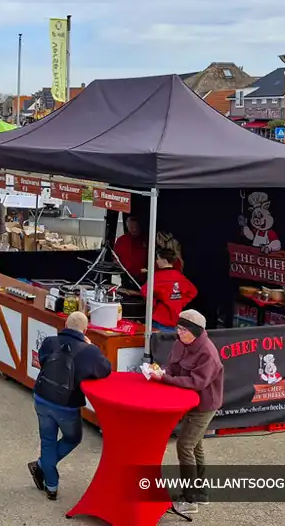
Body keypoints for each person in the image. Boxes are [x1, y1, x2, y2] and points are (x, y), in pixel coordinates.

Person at [28, 311, 112, 500]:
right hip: (66, 404)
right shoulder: (89, 351)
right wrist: (91, 347)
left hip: (41, 396)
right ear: (86, 329)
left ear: (65, 324)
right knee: (73, 438)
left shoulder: (50, 341)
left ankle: (51, 486)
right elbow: (105, 370)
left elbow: (42, 361)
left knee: (47, 441)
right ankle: (42, 466)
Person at [151, 309, 224, 515]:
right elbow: (172, 366)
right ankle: (199, 493)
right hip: (188, 403)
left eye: (183, 329)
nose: (178, 332)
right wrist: (162, 371)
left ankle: (190, 499)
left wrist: (164, 379)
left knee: (185, 446)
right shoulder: (180, 343)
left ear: (196, 331)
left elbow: (196, 383)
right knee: (195, 446)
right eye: (178, 328)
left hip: (204, 405)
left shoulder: (208, 353)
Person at [124, 247, 198, 330]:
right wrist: (180, 301)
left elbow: (144, 291)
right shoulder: (180, 276)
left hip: (160, 317)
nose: (156, 261)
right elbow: (193, 292)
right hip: (176, 317)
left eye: (158, 258)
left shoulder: (157, 277)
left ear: (164, 261)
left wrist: (156, 301)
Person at [114, 214, 148, 286]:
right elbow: (115, 257)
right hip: (126, 274)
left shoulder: (147, 239)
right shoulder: (121, 240)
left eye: (136, 227)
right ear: (127, 227)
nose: (134, 229)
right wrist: (120, 268)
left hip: (143, 276)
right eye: (131, 227)